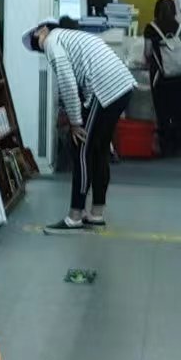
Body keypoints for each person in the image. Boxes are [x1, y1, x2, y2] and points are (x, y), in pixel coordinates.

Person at [28, 18, 136, 232]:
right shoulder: (69, 37)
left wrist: (76, 122)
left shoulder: (52, 41)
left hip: (104, 88)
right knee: (100, 149)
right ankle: (96, 214)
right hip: (121, 86)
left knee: (81, 148)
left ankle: (75, 216)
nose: (40, 49)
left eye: (36, 43)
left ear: (42, 30)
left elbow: (67, 83)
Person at [144, 0, 181, 157]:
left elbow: (148, 52)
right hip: (180, 75)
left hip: (160, 76)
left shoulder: (151, 28)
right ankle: (178, 143)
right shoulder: (180, 27)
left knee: (162, 111)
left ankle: (164, 144)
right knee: (178, 110)